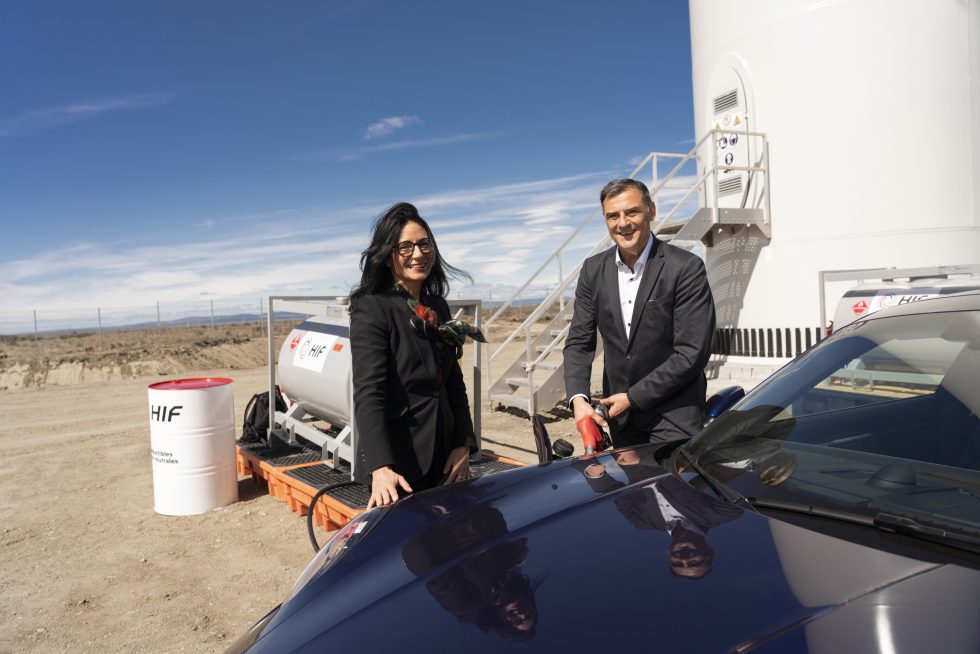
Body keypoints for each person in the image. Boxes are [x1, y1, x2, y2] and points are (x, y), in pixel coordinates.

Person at [349, 202, 485, 509]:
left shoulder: (438, 307)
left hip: (445, 456)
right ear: (387, 257)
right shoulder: (372, 308)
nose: (418, 253)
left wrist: (463, 442)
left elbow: (452, 381)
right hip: (399, 461)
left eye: (424, 244)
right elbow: (369, 392)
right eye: (405, 246)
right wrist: (380, 467)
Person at [563, 178, 716, 447]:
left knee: (671, 489)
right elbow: (578, 342)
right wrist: (579, 400)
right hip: (621, 419)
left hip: (674, 417)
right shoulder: (592, 270)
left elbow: (692, 353)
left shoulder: (685, 268)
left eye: (632, 211)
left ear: (651, 211)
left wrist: (633, 397)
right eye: (613, 216)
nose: (623, 223)